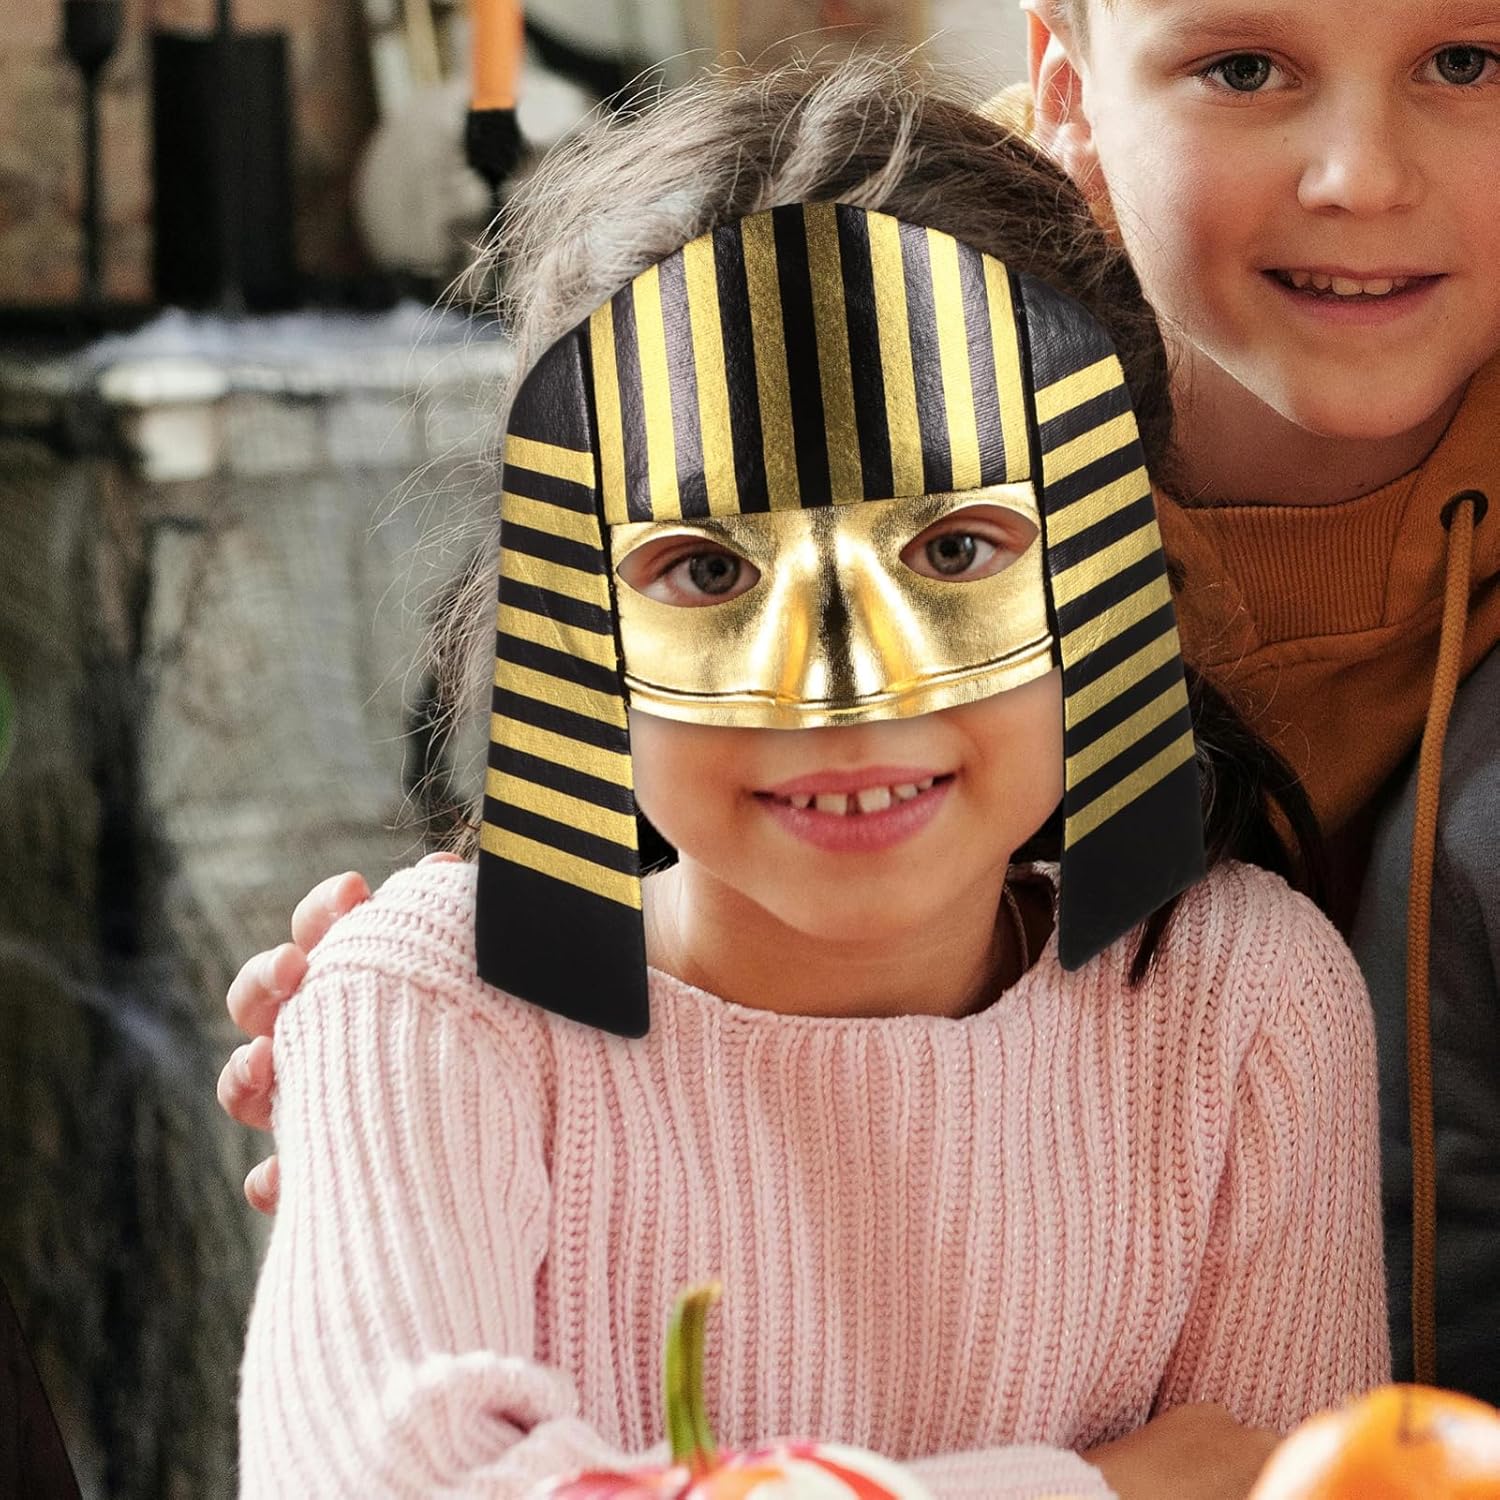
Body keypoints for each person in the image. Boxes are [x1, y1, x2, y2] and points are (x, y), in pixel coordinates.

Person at [233, 62, 1387, 1499]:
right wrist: (1110, 1485)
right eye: (709, 569)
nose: (844, 692)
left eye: (954, 548)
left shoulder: (1243, 1007)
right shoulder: (436, 1005)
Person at [1006, 0, 1500, 1400]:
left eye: (1468, 62)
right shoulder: (877, 394)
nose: (1361, 178)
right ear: (1069, 92)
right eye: (1242, 69)